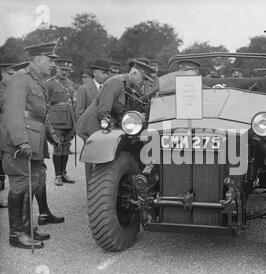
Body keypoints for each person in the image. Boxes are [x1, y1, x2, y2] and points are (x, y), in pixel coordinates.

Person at [0, 42, 62, 249]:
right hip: (22, 143)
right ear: (37, 59)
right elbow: (13, 112)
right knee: (20, 185)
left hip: (35, 141)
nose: (53, 64)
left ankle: (27, 228)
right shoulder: (21, 78)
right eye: (50, 59)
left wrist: (51, 134)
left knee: (32, 183)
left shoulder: (38, 81)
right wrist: (21, 141)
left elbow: (40, 115)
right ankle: (17, 234)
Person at [75, 59, 157, 184]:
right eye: (143, 78)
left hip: (102, 124)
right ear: (134, 73)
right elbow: (103, 110)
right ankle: (93, 199)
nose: (144, 82)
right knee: (96, 161)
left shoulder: (129, 85)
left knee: (102, 163)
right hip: (93, 124)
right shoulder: (116, 82)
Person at [0, 62, 30, 209]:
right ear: (3, 74)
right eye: (10, 74)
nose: (13, 77)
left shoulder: (14, 89)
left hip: (6, 134)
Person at [46, 58, 77, 186]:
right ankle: (57, 176)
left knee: (66, 146)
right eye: (63, 69)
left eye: (67, 70)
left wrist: (75, 121)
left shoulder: (70, 83)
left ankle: (63, 173)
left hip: (69, 119)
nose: (65, 72)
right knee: (58, 146)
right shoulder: (50, 84)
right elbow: (46, 104)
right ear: (56, 69)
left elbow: (74, 103)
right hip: (56, 120)